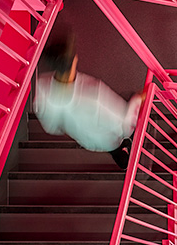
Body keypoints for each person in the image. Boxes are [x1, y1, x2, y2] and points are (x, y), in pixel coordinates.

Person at [33, 32, 143, 170]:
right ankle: (132, 150)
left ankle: (122, 161)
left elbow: (51, 127)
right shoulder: (94, 95)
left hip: (88, 141)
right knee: (131, 102)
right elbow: (125, 127)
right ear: (73, 60)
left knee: (114, 150)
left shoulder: (42, 87)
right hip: (109, 139)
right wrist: (137, 99)